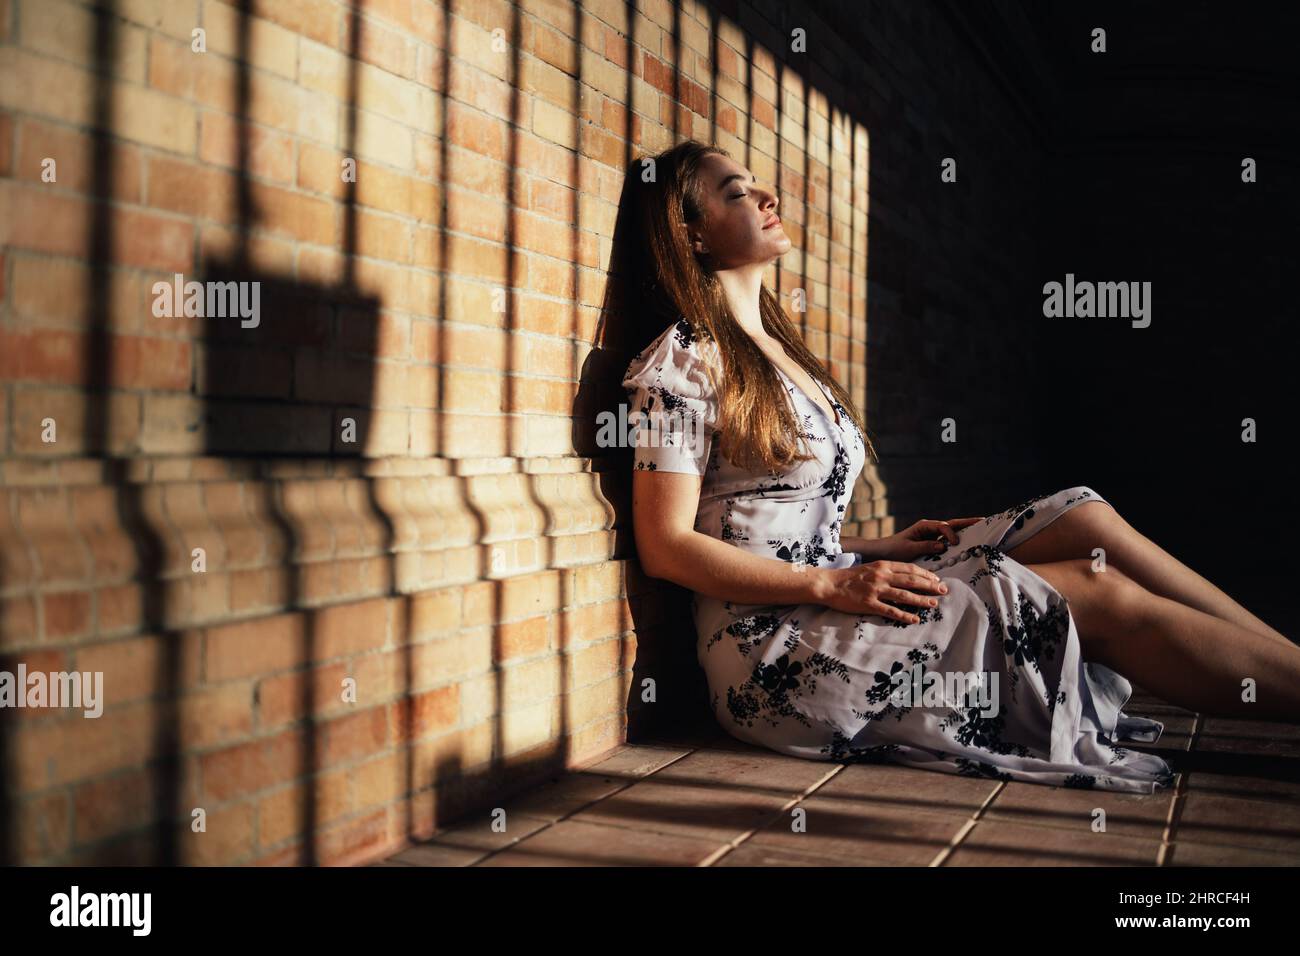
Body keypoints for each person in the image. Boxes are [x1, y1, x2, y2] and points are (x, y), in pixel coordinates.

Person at [619, 139, 1300, 792]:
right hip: (776, 647)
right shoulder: (682, 362)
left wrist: (876, 547)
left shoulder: (781, 347)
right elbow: (668, 546)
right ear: (695, 236)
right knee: (1094, 593)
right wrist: (832, 587)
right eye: (737, 191)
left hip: (827, 587)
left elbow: (765, 519)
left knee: (1083, 516)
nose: (768, 194)